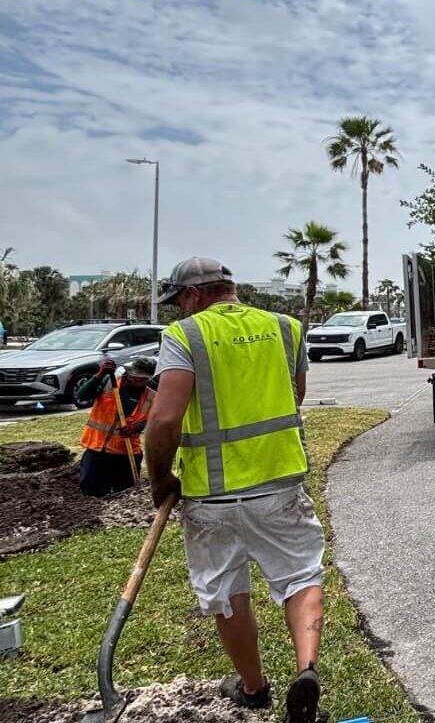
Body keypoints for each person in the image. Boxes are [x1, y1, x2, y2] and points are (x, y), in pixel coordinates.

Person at [144, 257, 325, 723]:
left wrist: (161, 478)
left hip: (212, 496)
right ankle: (306, 669)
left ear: (195, 295)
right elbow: (296, 394)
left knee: (227, 592)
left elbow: (164, 419)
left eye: (180, 302)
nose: (180, 311)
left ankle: (254, 688)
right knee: (301, 576)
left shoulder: (185, 336)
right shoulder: (286, 327)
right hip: (279, 484)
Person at [77, 355, 156, 497]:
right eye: (134, 376)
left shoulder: (153, 395)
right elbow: (81, 395)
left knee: (125, 495)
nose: (137, 380)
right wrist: (100, 374)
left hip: (126, 452)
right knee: (90, 491)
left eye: (142, 379)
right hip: (98, 449)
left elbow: (155, 420)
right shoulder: (109, 382)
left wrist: (137, 427)